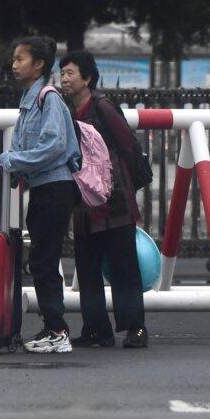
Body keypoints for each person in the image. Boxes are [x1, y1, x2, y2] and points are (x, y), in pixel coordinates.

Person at [59, 50, 149, 349]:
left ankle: (135, 328)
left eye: (70, 73)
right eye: (62, 73)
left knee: (124, 268)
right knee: (87, 269)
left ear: (87, 77)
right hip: (85, 205)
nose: (64, 79)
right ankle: (97, 329)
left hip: (115, 203)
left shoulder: (104, 108)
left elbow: (129, 146)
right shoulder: (69, 113)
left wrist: (126, 187)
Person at [0, 36, 81, 354]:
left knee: (44, 260)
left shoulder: (49, 99)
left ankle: (57, 330)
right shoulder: (29, 101)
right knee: (42, 259)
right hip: (44, 188)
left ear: (39, 65)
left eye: (20, 59)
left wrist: (14, 160)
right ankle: (53, 327)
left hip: (55, 188)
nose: (14, 65)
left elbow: (54, 145)